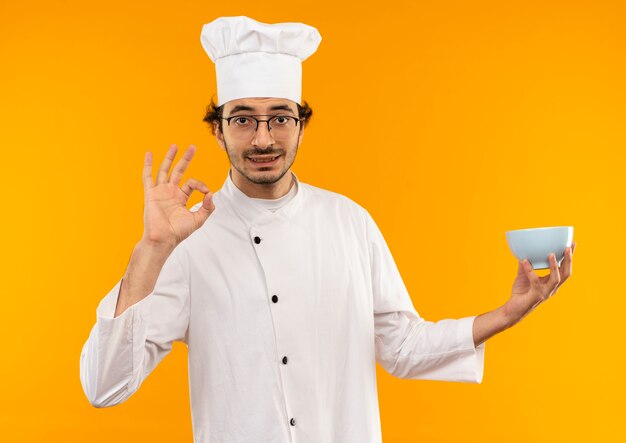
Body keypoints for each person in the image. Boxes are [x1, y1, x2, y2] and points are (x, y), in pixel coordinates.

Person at [79, 16, 576, 443]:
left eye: (280, 118)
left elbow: (401, 346)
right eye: (243, 120)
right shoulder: (188, 244)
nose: (264, 139)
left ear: (301, 123)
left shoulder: (349, 222)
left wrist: (512, 310)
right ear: (217, 128)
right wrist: (152, 248)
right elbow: (104, 387)